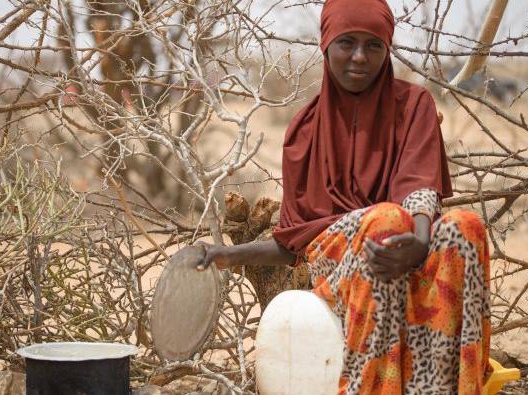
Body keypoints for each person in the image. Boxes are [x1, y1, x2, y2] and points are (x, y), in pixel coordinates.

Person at [197, 0, 491, 393]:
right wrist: (227, 256)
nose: (359, 57)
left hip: (406, 246)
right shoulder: (303, 130)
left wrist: (421, 240)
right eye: (346, 42)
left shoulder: (414, 105)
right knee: (386, 220)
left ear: (387, 51)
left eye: (373, 46)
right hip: (338, 265)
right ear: (325, 45)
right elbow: (293, 242)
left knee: (464, 227)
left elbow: (418, 186)